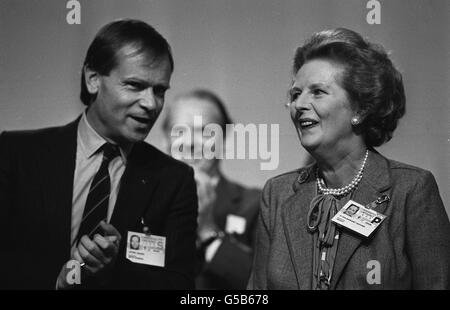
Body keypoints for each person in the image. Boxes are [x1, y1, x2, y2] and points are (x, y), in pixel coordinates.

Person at [0, 19, 198, 289]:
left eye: (159, 90)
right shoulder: (17, 155)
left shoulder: (174, 180)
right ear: (93, 79)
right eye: (135, 85)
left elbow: (181, 285)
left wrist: (116, 266)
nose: (151, 103)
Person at [248, 28, 450, 290]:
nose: (299, 105)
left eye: (317, 92)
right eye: (296, 94)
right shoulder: (278, 194)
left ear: (361, 108)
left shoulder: (410, 190)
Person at [162, 89, 260, 289]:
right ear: (166, 141)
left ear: (223, 140)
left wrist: (208, 231)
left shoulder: (256, 204)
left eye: (205, 132)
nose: (189, 143)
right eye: (179, 131)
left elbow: (265, 285)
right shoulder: (143, 202)